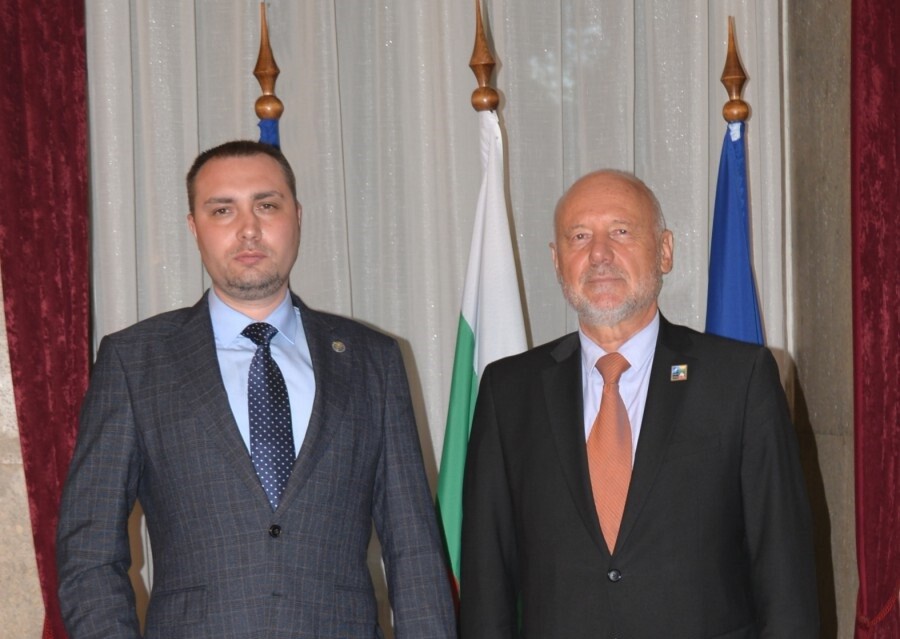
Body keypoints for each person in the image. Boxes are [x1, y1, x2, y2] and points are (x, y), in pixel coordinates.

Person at [57, 140, 456, 638]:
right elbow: (89, 553)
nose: (248, 229)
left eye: (266, 206)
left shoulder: (373, 360)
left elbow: (414, 551)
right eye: (222, 210)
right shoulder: (135, 361)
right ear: (194, 227)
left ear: (297, 217)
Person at [459, 170, 819, 637]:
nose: (599, 254)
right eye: (579, 236)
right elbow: (486, 583)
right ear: (556, 260)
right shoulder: (508, 391)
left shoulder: (739, 380)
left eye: (621, 231)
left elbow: (785, 573)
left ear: (665, 250)